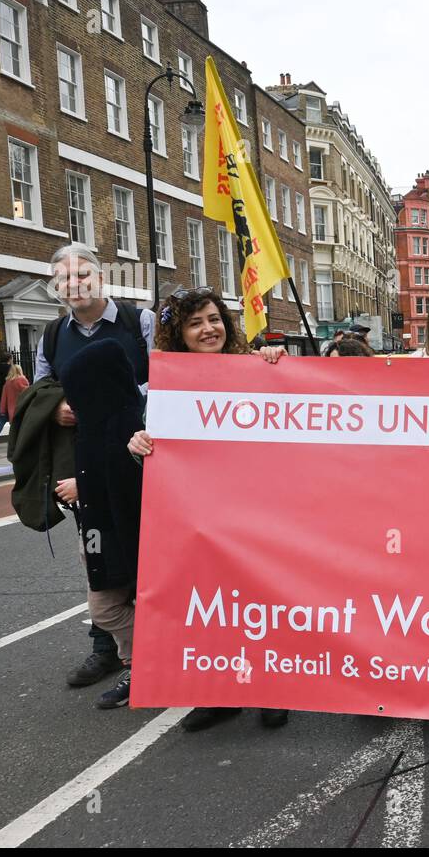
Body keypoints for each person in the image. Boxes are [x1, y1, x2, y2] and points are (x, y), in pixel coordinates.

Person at [127, 287, 287, 731]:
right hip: (199, 516)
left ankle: (272, 688)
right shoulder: (165, 382)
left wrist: (276, 363)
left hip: (255, 508)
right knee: (211, 605)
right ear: (178, 333)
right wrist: (137, 443)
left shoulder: (254, 368)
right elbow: (152, 439)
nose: (208, 329)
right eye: (195, 323)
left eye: (214, 318)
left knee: (261, 600)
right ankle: (218, 693)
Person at [37, 246, 155, 692]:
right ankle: (106, 649)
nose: (74, 283)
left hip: (138, 457)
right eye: (63, 278)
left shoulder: (136, 321)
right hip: (86, 465)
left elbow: (164, 375)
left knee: (144, 556)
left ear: (100, 276)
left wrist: (105, 400)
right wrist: (56, 408)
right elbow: (41, 391)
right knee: (100, 558)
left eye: (82, 273)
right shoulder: (52, 336)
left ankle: (162, 649)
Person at [0, 363, 29, 448]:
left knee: (5, 421)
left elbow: (4, 398)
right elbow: (28, 393)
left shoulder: (7, 383)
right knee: (21, 426)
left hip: (10, 409)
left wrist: (2, 410)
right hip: (21, 407)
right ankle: (18, 443)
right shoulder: (22, 380)